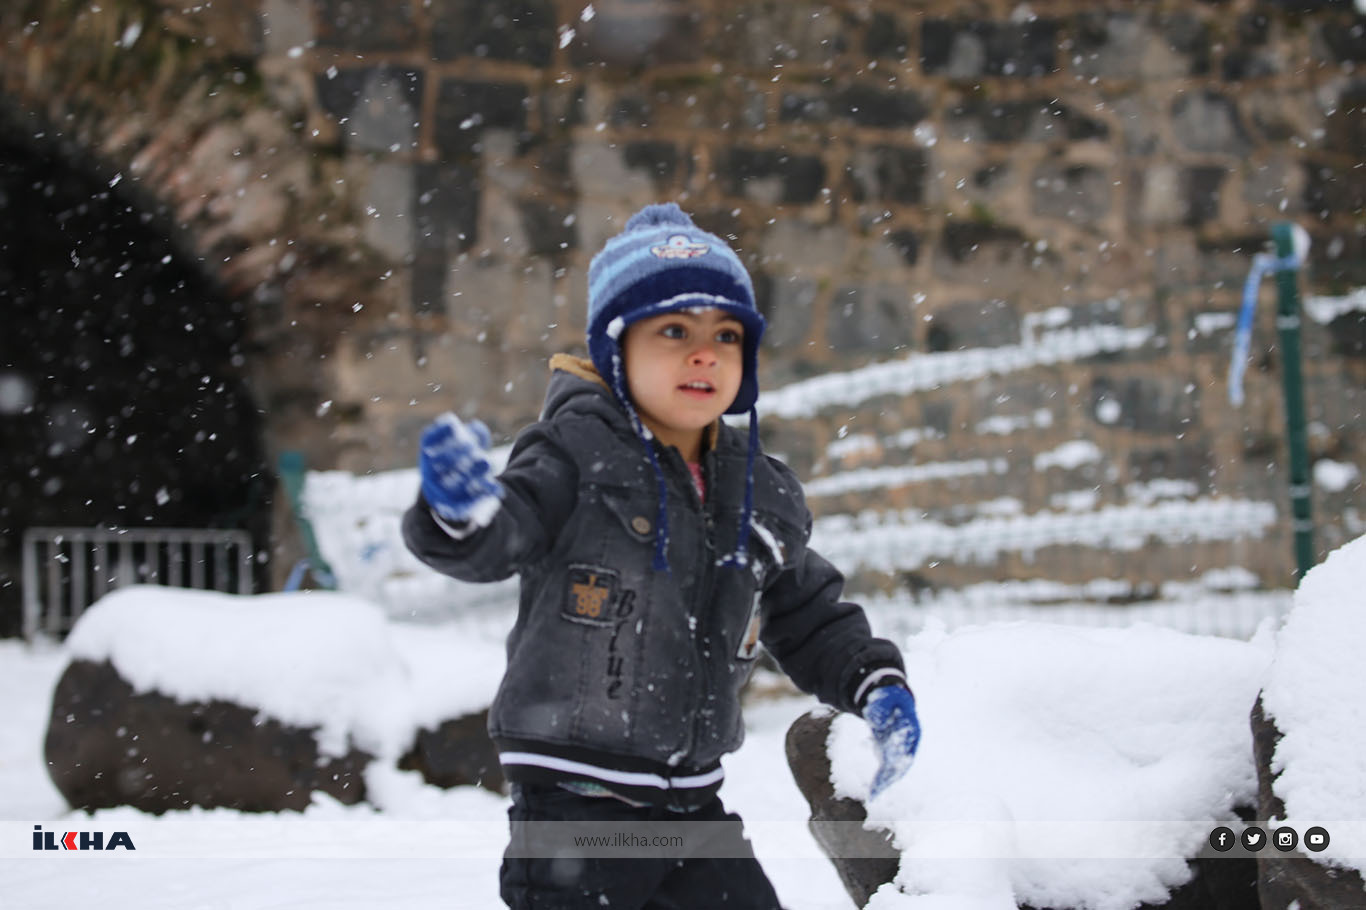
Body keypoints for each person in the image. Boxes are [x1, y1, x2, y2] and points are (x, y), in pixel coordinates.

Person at [403, 202, 921, 909]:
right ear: (614, 349)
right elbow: (502, 536)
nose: (704, 352)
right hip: (576, 809)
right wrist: (460, 512)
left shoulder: (757, 488)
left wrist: (872, 679)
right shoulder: (572, 455)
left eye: (726, 334)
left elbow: (805, 609)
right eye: (674, 330)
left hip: (693, 806)